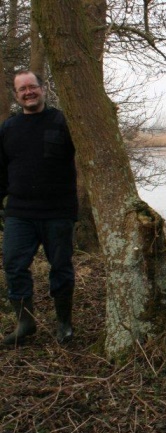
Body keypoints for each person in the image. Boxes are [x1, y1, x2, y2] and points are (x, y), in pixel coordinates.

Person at [0, 70, 78, 347]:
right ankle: (25, 322)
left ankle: (64, 324)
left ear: (43, 89)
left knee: (61, 267)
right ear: (16, 95)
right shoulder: (8, 128)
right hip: (20, 213)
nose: (28, 92)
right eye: (22, 89)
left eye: (32, 86)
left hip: (58, 211)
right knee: (13, 264)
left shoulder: (63, 122)